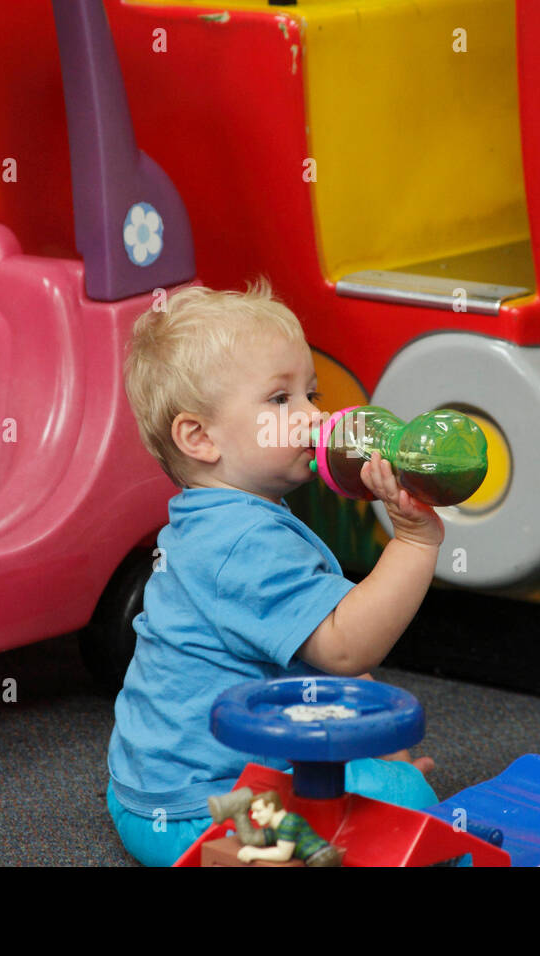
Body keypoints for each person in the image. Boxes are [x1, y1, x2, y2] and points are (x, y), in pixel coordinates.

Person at [106, 278, 443, 866]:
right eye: (280, 400)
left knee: (385, 776)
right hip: (200, 812)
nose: (315, 416)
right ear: (200, 436)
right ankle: (245, 855)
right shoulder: (245, 541)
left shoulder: (210, 521)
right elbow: (343, 649)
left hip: (141, 792)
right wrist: (414, 542)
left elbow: (307, 658)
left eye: (311, 393)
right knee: (408, 797)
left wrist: (374, 749)